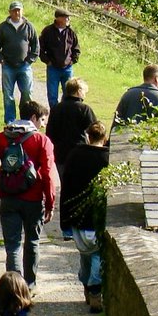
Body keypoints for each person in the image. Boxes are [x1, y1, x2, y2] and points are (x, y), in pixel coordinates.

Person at [0, 99, 55, 291]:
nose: (43, 124)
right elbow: (47, 174)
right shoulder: (42, 141)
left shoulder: (1, 138)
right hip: (33, 200)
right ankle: (29, 286)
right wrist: (50, 204)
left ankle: (14, 289)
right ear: (33, 118)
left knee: (12, 246)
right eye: (43, 120)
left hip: (9, 199)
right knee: (32, 242)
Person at [61, 121, 110, 313]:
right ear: (104, 138)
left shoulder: (74, 155)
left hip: (78, 215)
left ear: (88, 136)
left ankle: (87, 285)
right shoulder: (107, 159)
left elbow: (66, 187)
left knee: (85, 254)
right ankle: (94, 289)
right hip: (97, 215)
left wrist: (64, 219)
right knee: (97, 253)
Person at [43, 77, 96, 240]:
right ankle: (81, 225)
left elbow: (50, 134)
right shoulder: (85, 109)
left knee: (66, 189)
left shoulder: (57, 109)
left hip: (61, 155)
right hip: (80, 155)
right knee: (81, 189)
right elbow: (95, 132)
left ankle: (66, 229)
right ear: (79, 91)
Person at [0, 1, 39, 125]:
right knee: (8, 95)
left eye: (18, 10)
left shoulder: (29, 26)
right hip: (8, 66)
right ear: (10, 12)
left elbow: (35, 45)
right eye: (14, 10)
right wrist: (0, 59)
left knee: (27, 92)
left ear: (22, 11)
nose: (16, 13)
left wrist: (30, 60)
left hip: (24, 66)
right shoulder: (3, 27)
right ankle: (10, 121)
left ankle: (26, 119)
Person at [38, 8, 80, 108]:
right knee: (52, 95)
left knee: (69, 94)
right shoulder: (47, 31)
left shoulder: (71, 32)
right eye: (66, 17)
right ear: (58, 18)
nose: (68, 19)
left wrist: (72, 61)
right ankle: (54, 114)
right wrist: (47, 61)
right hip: (53, 68)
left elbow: (76, 48)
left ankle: (65, 114)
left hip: (67, 69)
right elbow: (40, 48)